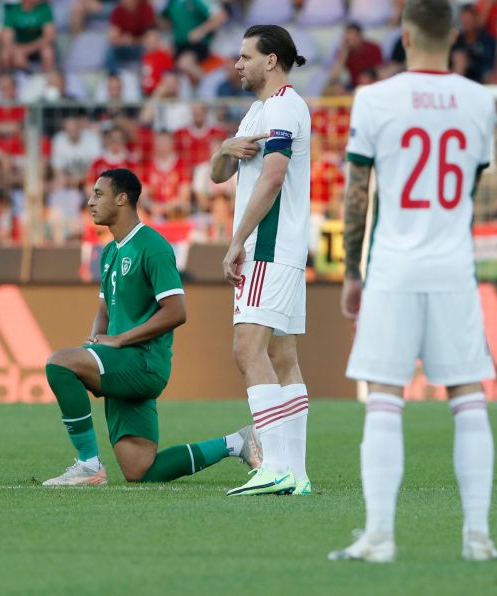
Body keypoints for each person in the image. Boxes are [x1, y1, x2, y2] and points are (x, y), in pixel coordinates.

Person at [330, 0, 497, 563]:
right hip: (454, 263)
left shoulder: (374, 98)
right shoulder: (479, 101)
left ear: (404, 35)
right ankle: (477, 538)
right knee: (468, 396)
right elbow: (473, 190)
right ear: (454, 36)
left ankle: (379, 536)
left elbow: (359, 196)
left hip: (394, 268)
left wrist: (353, 271)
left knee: (384, 397)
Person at [41, 168, 261, 486]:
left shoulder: (153, 246)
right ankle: (237, 443)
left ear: (122, 198)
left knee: (59, 364)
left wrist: (118, 341)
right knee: (140, 470)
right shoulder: (109, 253)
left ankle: (88, 464)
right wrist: (95, 342)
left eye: (98, 194)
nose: (90, 202)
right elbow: (104, 308)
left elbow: (176, 311)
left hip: (142, 361)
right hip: (121, 360)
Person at [211, 25, 311, 497]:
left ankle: (273, 465)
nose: (238, 64)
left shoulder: (285, 107)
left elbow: (272, 178)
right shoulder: (258, 111)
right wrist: (224, 149)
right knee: (282, 357)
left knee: (246, 350)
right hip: (284, 251)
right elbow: (217, 175)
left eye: (245, 56)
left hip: (267, 249)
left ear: (270, 61)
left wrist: (237, 242)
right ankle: (297, 473)